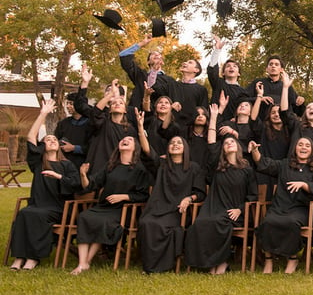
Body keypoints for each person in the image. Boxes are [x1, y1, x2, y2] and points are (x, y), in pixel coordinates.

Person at [183, 106, 257, 274]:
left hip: (234, 212)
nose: (229, 144)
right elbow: (210, 143)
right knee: (200, 223)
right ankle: (207, 264)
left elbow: (252, 195)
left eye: (232, 142)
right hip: (214, 207)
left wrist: (240, 209)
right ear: (222, 149)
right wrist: (214, 116)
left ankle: (222, 263)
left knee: (218, 223)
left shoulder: (247, 168)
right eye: (226, 143)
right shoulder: (218, 167)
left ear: (239, 147)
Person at [9, 100, 80, 271]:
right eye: (48, 139)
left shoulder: (67, 165)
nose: (52, 140)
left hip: (58, 209)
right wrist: (43, 113)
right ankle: (19, 257)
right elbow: (31, 137)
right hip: (37, 205)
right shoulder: (38, 163)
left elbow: (75, 184)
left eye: (54, 139)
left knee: (36, 215)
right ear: (43, 146)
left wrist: (58, 176)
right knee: (24, 213)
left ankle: (33, 258)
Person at [136, 110, 206, 273]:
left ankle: (163, 265)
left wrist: (189, 199)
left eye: (179, 143)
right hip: (157, 208)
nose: (175, 144)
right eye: (172, 143)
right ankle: (150, 265)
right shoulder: (162, 165)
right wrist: (140, 127)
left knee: (165, 228)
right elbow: (147, 151)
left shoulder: (194, 168)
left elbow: (200, 192)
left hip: (179, 211)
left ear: (185, 148)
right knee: (147, 223)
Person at [70, 135, 151, 275]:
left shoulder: (140, 170)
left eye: (130, 140)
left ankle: (86, 262)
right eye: (123, 139)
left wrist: (123, 197)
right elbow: (91, 186)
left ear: (135, 148)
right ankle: (83, 262)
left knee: (103, 222)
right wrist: (83, 175)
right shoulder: (110, 166)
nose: (125, 140)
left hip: (124, 210)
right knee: (84, 217)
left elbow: (143, 195)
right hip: (104, 207)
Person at [250, 136, 313, 274]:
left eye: (307, 146)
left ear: (311, 150)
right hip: (280, 206)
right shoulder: (285, 164)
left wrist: (304, 184)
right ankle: (268, 259)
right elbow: (264, 164)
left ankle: (292, 258)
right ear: (295, 148)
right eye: (300, 144)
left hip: (301, 208)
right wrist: (255, 151)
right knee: (268, 222)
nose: (303, 147)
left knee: (291, 222)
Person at [74, 67, 139, 175]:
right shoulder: (98, 114)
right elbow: (80, 106)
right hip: (97, 162)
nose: (111, 92)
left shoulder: (131, 114)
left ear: (122, 98)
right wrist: (85, 83)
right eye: (108, 91)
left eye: (114, 91)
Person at [118, 33, 174, 110]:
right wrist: (142, 43)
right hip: (135, 114)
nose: (156, 55)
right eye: (153, 54)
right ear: (148, 62)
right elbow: (123, 55)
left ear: (162, 62)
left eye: (159, 55)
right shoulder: (140, 75)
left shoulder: (169, 80)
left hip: (156, 118)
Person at [206, 35, 249, 122]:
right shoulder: (219, 83)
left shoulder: (243, 92)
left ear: (239, 73)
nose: (231, 68)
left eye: (234, 66)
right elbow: (212, 70)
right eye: (228, 66)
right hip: (215, 123)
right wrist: (217, 50)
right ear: (223, 73)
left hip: (234, 126)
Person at [54, 93, 92, 169]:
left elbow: (94, 147)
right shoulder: (63, 124)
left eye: (71, 103)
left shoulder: (91, 124)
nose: (68, 106)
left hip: (85, 165)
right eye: (67, 103)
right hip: (65, 166)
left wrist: (74, 148)